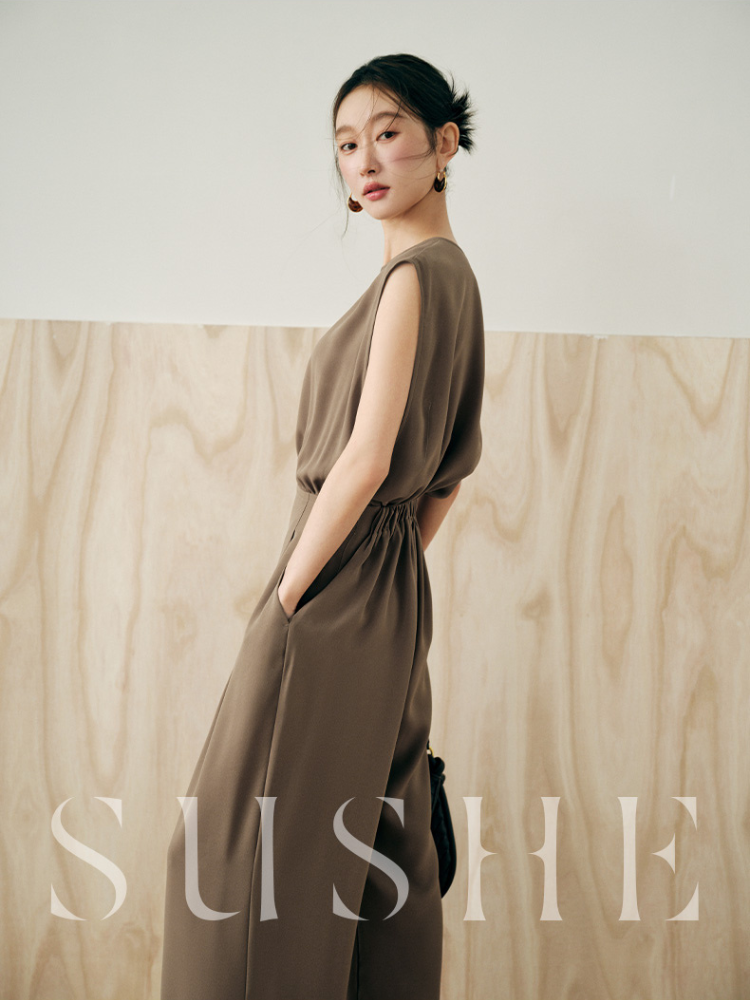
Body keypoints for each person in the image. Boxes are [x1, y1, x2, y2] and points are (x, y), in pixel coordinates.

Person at [160, 52, 484, 1000]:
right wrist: (390, 578)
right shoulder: (458, 280)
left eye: (388, 133)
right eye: (346, 144)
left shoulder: (411, 280)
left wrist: (290, 592)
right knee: (377, 840)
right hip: (390, 595)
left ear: (445, 143)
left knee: (240, 850)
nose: (364, 160)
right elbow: (445, 483)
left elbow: (368, 461)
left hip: (333, 583)